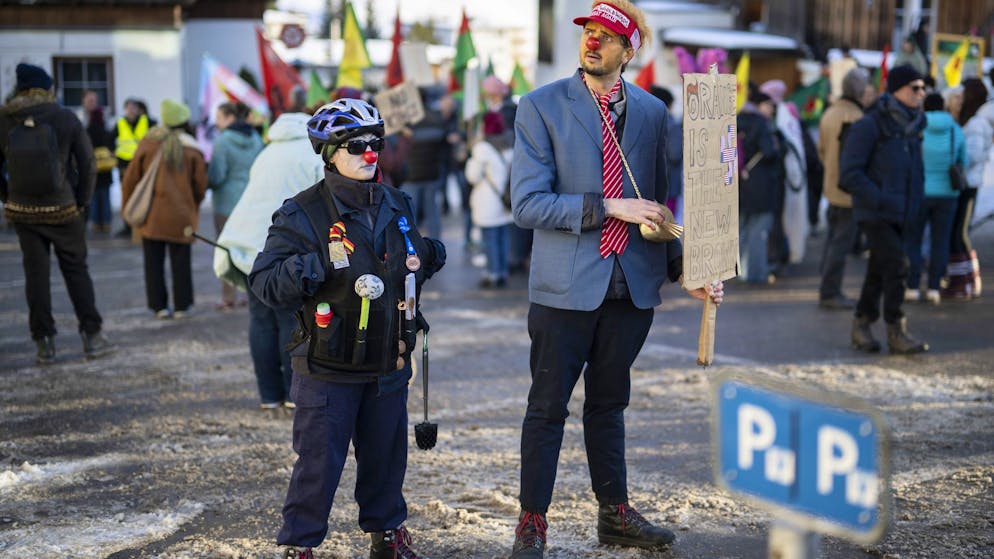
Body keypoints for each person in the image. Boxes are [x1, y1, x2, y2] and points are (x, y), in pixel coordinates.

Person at [507, 2, 724, 557]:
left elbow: (659, 207)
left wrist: (686, 273)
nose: (593, 42)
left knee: (609, 405)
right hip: (564, 287)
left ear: (630, 51)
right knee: (547, 407)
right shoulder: (540, 106)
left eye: (608, 37)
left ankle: (616, 514)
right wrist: (609, 208)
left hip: (632, 286)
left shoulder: (654, 113)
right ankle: (532, 522)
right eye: (589, 33)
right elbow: (528, 204)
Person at [248, 98, 445, 559]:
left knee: (386, 461)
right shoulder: (302, 213)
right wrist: (310, 268)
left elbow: (416, 255)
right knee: (318, 465)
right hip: (327, 366)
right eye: (356, 144)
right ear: (330, 153)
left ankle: (388, 535)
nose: (369, 152)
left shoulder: (398, 202)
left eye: (376, 141)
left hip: (388, 361)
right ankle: (300, 546)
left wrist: (429, 255)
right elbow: (263, 282)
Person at [0, 63, 114, 363]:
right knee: (76, 272)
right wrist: (81, 202)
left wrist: (8, 197)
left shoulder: (5, 118)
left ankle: (44, 343)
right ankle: (92, 337)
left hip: (23, 211)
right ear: (48, 87)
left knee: (35, 276)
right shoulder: (64, 116)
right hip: (64, 209)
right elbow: (88, 163)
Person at [214, 109, 324, 409]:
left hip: (249, 247)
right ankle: (292, 393)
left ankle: (269, 395)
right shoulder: (314, 153)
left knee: (261, 320)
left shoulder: (267, 152)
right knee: (291, 320)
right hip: (285, 248)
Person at [840, 64, 929, 354]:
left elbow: (914, 172)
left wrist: (916, 204)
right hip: (875, 211)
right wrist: (878, 199)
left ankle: (861, 324)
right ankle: (896, 329)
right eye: (915, 87)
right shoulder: (871, 124)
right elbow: (850, 173)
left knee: (879, 270)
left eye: (923, 87)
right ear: (897, 89)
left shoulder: (914, 125)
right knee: (898, 265)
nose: (921, 92)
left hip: (902, 212)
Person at [120, 99, 207, 319]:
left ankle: (159, 306)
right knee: (181, 263)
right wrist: (192, 203)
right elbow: (200, 185)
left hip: (152, 215)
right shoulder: (192, 149)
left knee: (153, 262)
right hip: (182, 216)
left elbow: (130, 179)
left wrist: (128, 205)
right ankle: (182, 306)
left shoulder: (148, 144)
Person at [817, 67, 871, 309]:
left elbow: (822, 151)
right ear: (860, 90)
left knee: (832, 242)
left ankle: (827, 286)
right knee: (840, 244)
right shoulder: (856, 118)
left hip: (831, 187)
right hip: (848, 192)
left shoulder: (830, 113)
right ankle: (830, 292)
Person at [905, 92, 966, 304]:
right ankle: (934, 287)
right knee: (940, 242)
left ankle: (912, 285)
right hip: (948, 194)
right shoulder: (955, 130)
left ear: (924, 108)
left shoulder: (917, 129)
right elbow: (962, 161)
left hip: (920, 192)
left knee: (913, 239)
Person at [207, 101, 264, 311]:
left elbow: (217, 175)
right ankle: (250, 294)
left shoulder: (222, 142)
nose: (216, 121)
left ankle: (228, 297)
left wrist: (207, 180)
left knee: (226, 249)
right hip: (250, 200)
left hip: (226, 203)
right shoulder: (256, 138)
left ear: (229, 117)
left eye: (219, 117)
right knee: (251, 247)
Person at [948, 78, 992, 299]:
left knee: (960, 233)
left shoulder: (975, 124)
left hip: (968, 184)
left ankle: (966, 280)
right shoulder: (974, 121)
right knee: (958, 232)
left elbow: (973, 155)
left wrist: (955, 160)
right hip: (966, 183)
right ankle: (962, 280)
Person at [737, 90, 784, 284]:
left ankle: (739, 270)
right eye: (768, 105)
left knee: (742, 228)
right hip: (760, 183)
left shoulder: (736, 119)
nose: (771, 110)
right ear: (759, 105)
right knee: (759, 229)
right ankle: (755, 273)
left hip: (739, 181)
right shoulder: (761, 123)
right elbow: (769, 152)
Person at [465, 111, 514, 288]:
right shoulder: (509, 144)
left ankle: (492, 273)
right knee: (502, 237)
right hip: (506, 199)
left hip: (488, 201)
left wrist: (471, 159)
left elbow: (472, 177)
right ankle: (502, 271)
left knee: (490, 239)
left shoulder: (482, 149)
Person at [113, 97, 156, 238]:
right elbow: (110, 143)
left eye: (134, 108)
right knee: (127, 197)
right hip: (124, 167)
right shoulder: (119, 124)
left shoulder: (148, 122)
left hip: (143, 166)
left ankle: (145, 224)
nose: (131, 111)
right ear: (125, 110)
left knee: (144, 195)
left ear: (139, 110)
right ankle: (128, 226)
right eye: (129, 108)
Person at [83, 90, 115, 234]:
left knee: (102, 193)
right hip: (92, 163)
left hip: (101, 162)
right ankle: (98, 222)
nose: (92, 103)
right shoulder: (82, 119)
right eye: (90, 100)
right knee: (95, 193)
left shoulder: (101, 119)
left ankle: (103, 222)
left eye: (94, 100)